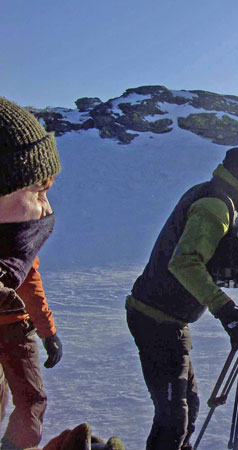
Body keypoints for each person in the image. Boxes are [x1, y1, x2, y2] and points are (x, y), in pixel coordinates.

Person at [126, 146, 238, 450]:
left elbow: (209, 261)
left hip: (164, 318)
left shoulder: (210, 193)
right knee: (173, 419)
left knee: (187, 407)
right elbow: (185, 263)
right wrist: (228, 312)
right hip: (158, 319)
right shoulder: (216, 206)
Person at [0, 97, 63, 450]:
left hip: (13, 325)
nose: (47, 211)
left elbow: (29, 279)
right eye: (39, 191)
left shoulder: (11, 265)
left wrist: (47, 330)